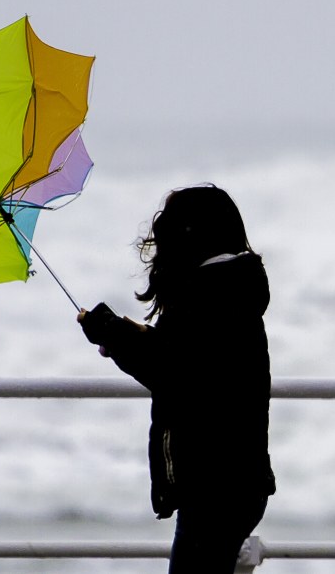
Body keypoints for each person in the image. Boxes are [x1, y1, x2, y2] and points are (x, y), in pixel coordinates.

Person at [77, 184, 276, 574]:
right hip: (234, 479)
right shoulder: (230, 287)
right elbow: (196, 360)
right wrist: (135, 337)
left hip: (215, 483)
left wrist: (109, 331)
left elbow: (174, 371)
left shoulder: (208, 294)